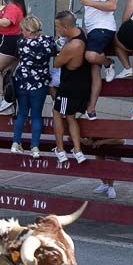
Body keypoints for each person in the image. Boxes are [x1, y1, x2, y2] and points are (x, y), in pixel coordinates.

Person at [78, 0, 125, 118]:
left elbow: (112, 6)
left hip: (103, 28)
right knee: (93, 71)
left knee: (91, 56)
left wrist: (89, 2)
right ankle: (90, 109)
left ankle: (108, 62)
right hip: (92, 29)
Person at [10, 16, 59, 158]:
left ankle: (16, 143)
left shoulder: (21, 43)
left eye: (23, 30)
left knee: (22, 113)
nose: (21, 32)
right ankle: (35, 147)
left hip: (22, 81)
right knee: (36, 116)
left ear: (29, 30)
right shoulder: (48, 42)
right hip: (40, 83)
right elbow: (55, 51)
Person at [52, 10, 91, 163]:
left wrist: (59, 51)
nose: (57, 30)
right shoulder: (81, 32)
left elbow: (57, 62)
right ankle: (77, 150)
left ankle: (60, 149)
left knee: (57, 113)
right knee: (71, 117)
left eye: (58, 27)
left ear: (66, 27)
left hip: (70, 86)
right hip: (83, 82)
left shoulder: (73, 45)